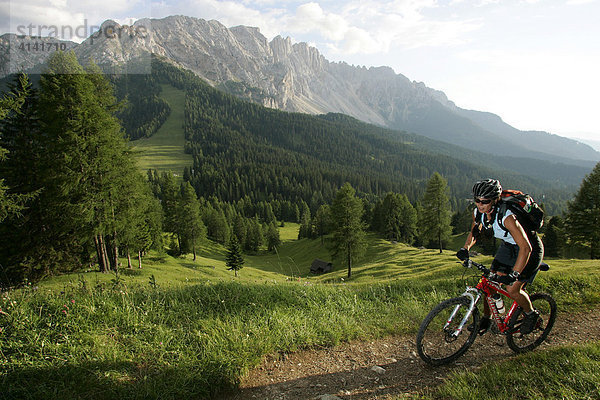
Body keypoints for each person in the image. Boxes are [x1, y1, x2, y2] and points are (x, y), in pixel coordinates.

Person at [456, 179, 544, 335]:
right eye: (477, 200)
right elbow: (475, 231)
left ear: (495, 200)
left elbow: (526, 247)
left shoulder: (507, 217)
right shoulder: (479, 212)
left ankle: (531, 314)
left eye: (485, 201)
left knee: (512, 289)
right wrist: (465, 248)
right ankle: (486, 319)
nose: (480, 204)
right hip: (508, 246)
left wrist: (514, 274)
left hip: (530, 248)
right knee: (489, 282)